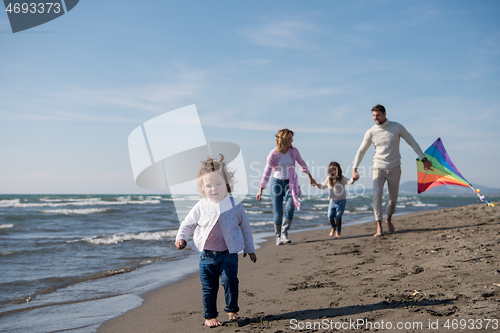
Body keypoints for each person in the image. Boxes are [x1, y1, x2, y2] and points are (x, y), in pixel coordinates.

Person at [175, 154, 257, 328]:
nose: (214, 189)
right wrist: (182, 238)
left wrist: (250, 249)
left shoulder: (235, 205)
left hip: (229, 254)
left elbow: (245, 227)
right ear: (202, 188)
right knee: (209, 288)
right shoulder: (200, 206)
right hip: (206, 256)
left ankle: (232, 310)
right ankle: (210, 316)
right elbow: (188, 224)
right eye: (209, 185)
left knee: (230, 282)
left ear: (227, 185)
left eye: (218, 184)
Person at [352, 104, 432, 237]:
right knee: (377, 195)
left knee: (392, 199)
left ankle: (388, 218)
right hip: (378, 167)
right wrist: (355, 169)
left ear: (384, 114)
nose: (375, 118)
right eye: (373, 116)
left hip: (394, 167)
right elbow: (361, 150)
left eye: (377, 115)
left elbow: (412, 142)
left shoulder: (396, 127)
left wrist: (423, 159)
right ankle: (379, 227)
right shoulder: (371, 132)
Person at [256, 128, 318, 245]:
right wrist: (261, 189)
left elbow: (302, 164)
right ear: (284, 140)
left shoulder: (294, 151)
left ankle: (284, 233)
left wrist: (310, 177)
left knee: (290, 208)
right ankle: (278, 236)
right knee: (278, 212)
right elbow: (267, 172)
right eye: (290, 138)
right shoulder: (273, 154)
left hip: (290, 184)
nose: (292, 141)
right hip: (276, 184)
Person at [313, 161, 357, 238]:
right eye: (332, 171)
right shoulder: (329, 179)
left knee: (338, 216)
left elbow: (350, 182)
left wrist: (353, 179)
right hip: (332, 201)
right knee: (330, 216)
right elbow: (323, 186)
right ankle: (333, 227)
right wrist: (316, 184)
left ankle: (338, 231)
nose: (334, 173)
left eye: (335, 171)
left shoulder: (342, 178)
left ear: (338, 171)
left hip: (341, 201)